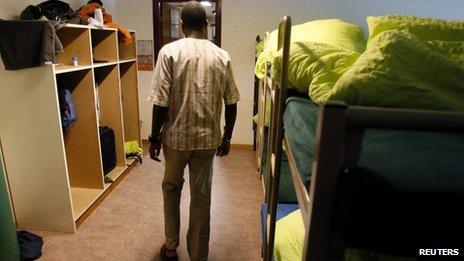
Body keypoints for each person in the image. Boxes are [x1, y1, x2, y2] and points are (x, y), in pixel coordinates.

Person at [147, 1, 240, 260]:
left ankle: (170, 246)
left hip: (175, 139)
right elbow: (231, 102)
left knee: (171, 189)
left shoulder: (169, 52)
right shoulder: (222, 56)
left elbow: (160, 102)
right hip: (207, 140)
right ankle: (199, 254)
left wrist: (154, 138)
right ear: (206, 25)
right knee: (201, 198)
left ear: (184, 25)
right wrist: (228, 136)